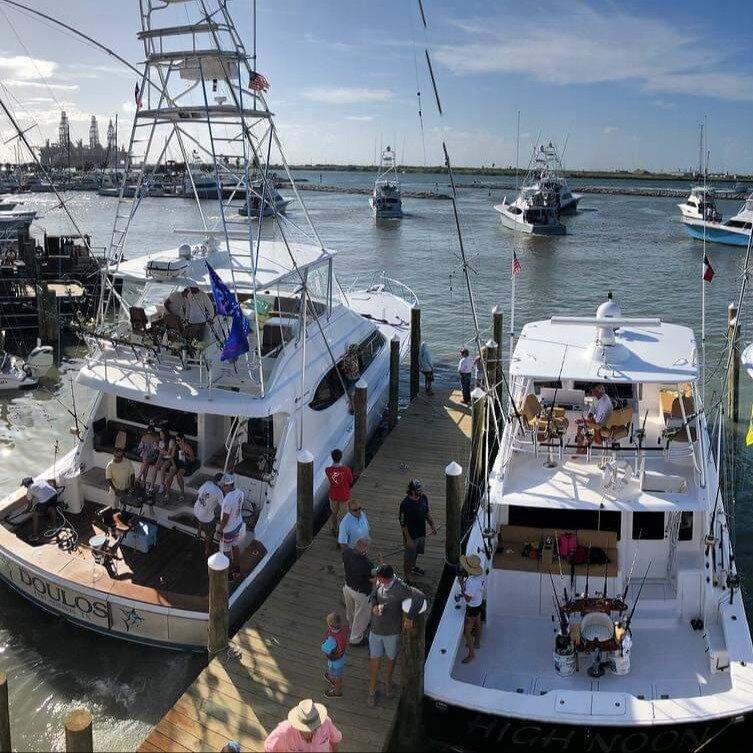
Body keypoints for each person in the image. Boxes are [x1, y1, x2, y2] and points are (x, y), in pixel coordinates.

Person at [367, 564, 425, 708]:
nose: (375, 578)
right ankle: (372, 691)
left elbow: (419, 596)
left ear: (384, 577)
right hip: (375, 631)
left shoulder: (401, 588)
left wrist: (410, 617)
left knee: (391, 660)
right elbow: (374, 595)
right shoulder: (379, 582)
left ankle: (387, 683)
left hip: (391, 633)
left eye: (378, 576)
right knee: (375, 662)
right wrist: (374, 606)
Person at [263, 699, 342, 752]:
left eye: (315, 724)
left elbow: (335, 739)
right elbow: (269, 748)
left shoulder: (326, 722)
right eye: (307, 727)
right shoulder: (284, 731)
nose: (313, 729)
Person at [342, 537, 379, 646]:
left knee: (351, 610)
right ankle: (356, 639)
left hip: (348, 587)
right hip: (361, 593)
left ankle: (351, 626)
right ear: (365, 549)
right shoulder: (366, 564)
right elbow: (373, 579)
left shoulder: (347, 552)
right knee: (362, 616)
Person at [399, 479, 436, 583]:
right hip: (411, 536)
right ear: (411, 491)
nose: (420, 492)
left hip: (421, 533)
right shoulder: (404, 505)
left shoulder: (424, 498)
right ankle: (407, 575)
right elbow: (403, 524)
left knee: (416, 553)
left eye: (420, 490)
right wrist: (408, 540)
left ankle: (413, 567)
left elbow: (427, 513)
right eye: (417, 490)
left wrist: (432, 525)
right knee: (408, 557)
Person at [455, 554, 486, 664]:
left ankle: (471, 654)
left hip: (472, 607)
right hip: (479, 603)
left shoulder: (472, 582)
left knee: (466, 631)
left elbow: (467, 599)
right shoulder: (480, 575)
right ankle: (477, 643)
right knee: (478, 623)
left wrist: (462, 587)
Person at [218, 474, 245, 580]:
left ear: (229, 486)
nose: (222, 487)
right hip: (238, 524)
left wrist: (220, 530)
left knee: (226, 552)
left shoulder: (227, 500)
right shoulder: (240, 492)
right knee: (235, 546)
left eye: (224, 486)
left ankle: (229, 575)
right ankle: (237, 570)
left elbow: (225, 519)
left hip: (228, 530)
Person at [194, 472, 224, 557]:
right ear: (220, 482)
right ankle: (207, 549)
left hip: (196, 510)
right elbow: (224, 506)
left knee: (204, 513)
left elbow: (198, 494)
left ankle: (199, 533)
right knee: (210, 533)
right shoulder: (219, 492)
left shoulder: (207, 483)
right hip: (206, 517)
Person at [325, 449, 353, 537]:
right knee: (343, 516)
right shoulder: (346, 470)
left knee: (334, 513)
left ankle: (334, 529)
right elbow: (350, 480)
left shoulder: (328, 470)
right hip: (344, 495)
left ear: (332, 458)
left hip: (333, 495)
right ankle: (342, 533)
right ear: (341, 457)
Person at [20, 476, 58, 541]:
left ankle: (35, 535)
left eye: (24, 485)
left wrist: (25, 511)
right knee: (52, 508)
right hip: (54, 494)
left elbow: (30, 506)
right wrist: (55, 488)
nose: (24, 487)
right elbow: (53, 480)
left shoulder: (29, 490)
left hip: (44, 501)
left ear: (26, 484)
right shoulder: (40, 480)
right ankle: (54, 525)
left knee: (34, 515)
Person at [321, 612, 349, 699]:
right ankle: (331, 677)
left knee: (337, 676)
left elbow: (324, 648)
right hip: (341, 657)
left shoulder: (331, 639)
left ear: (329, 625)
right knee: (334, 672)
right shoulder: (344, 629)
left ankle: (337, 691)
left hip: (335, 661)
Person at [165, 432, 195, 501]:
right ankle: (167, 492)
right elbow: (171, 457)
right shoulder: (176, 446)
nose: (177, 441)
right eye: (176, 440)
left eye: (178, 440)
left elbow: (193, 459)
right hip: (176, 463)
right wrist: (174, 465)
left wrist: (186, 455)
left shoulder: (187, 447)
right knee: (170, 474)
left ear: (182, 440)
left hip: (184, 464)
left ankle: (182, 493)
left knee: (179, 475)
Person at [136, 424, 159, 491]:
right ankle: (143, 481)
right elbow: (140, 448)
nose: (149, 434)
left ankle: (140, 478)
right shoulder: (144, 437)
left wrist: (151, 442)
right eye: (148, 433)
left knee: (145, 461)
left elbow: (156, 449)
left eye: (151, 433)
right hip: (145, 455)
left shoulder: (156, 438)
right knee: (146, 463)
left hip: (153, 455)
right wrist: (143, 444)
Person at [339, 344, 361, 414]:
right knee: (351, 393)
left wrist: (343, 359)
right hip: (354, 377)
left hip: (351, 378)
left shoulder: (348, 358)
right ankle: (353, 406)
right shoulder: (354, 356)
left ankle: (352, 408)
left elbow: (342, 367)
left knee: (351, 394)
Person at [155, 427, 175, 496]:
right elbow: (161, 454)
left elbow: (168, 453)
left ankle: (162, 484)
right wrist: (157, 462)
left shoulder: (171, 441)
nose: (160, 436)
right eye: (160, 435)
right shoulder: (161, 442)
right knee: (155, 467)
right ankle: (151, 486)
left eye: (161, 435)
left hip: (170, 459)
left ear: (165, 435)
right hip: (163, 458)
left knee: (163, 468)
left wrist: (159, 448)